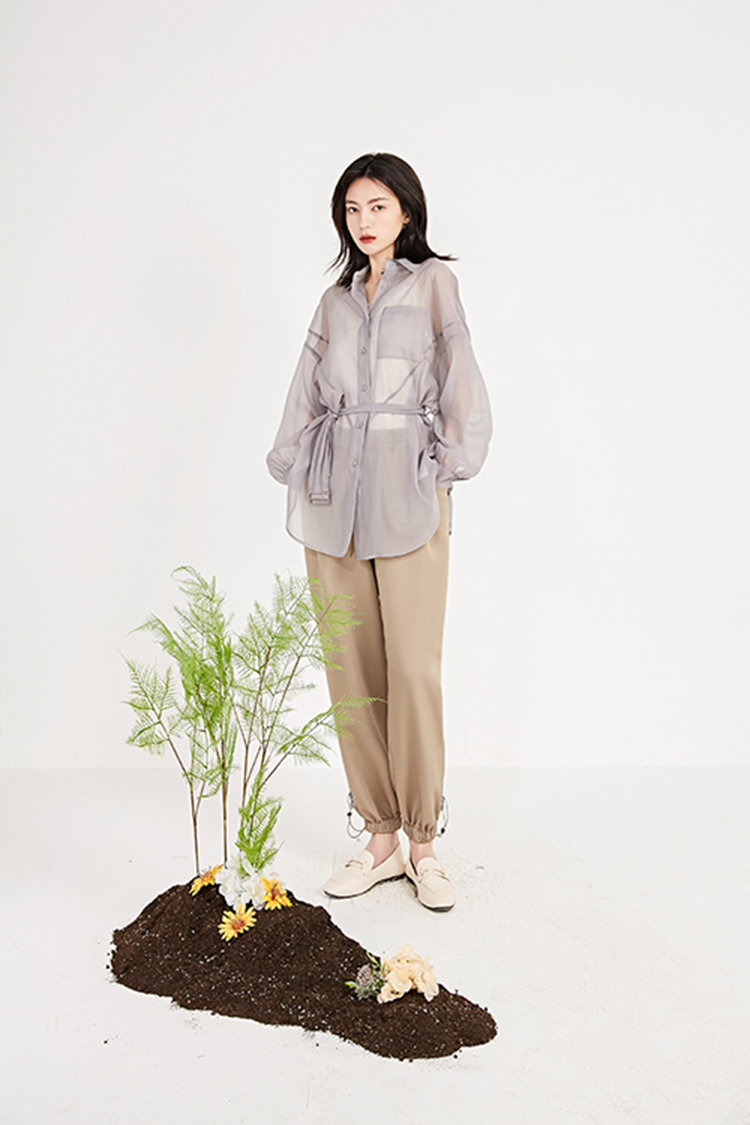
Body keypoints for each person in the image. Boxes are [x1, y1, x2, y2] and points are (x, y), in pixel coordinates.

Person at [267, 153, 491, 911]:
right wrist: (291, 457)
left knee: (413, 670)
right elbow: (305, 392)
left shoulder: (433, 285)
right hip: (334, 497)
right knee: (351, 674)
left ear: (407, 212)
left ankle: (424, 844)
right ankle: (380, 836)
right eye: (352, 210)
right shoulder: (334, 302)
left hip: (410, 492)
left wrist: (448, 462)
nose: (364, 222)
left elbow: (460, 373)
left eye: (378, 206)